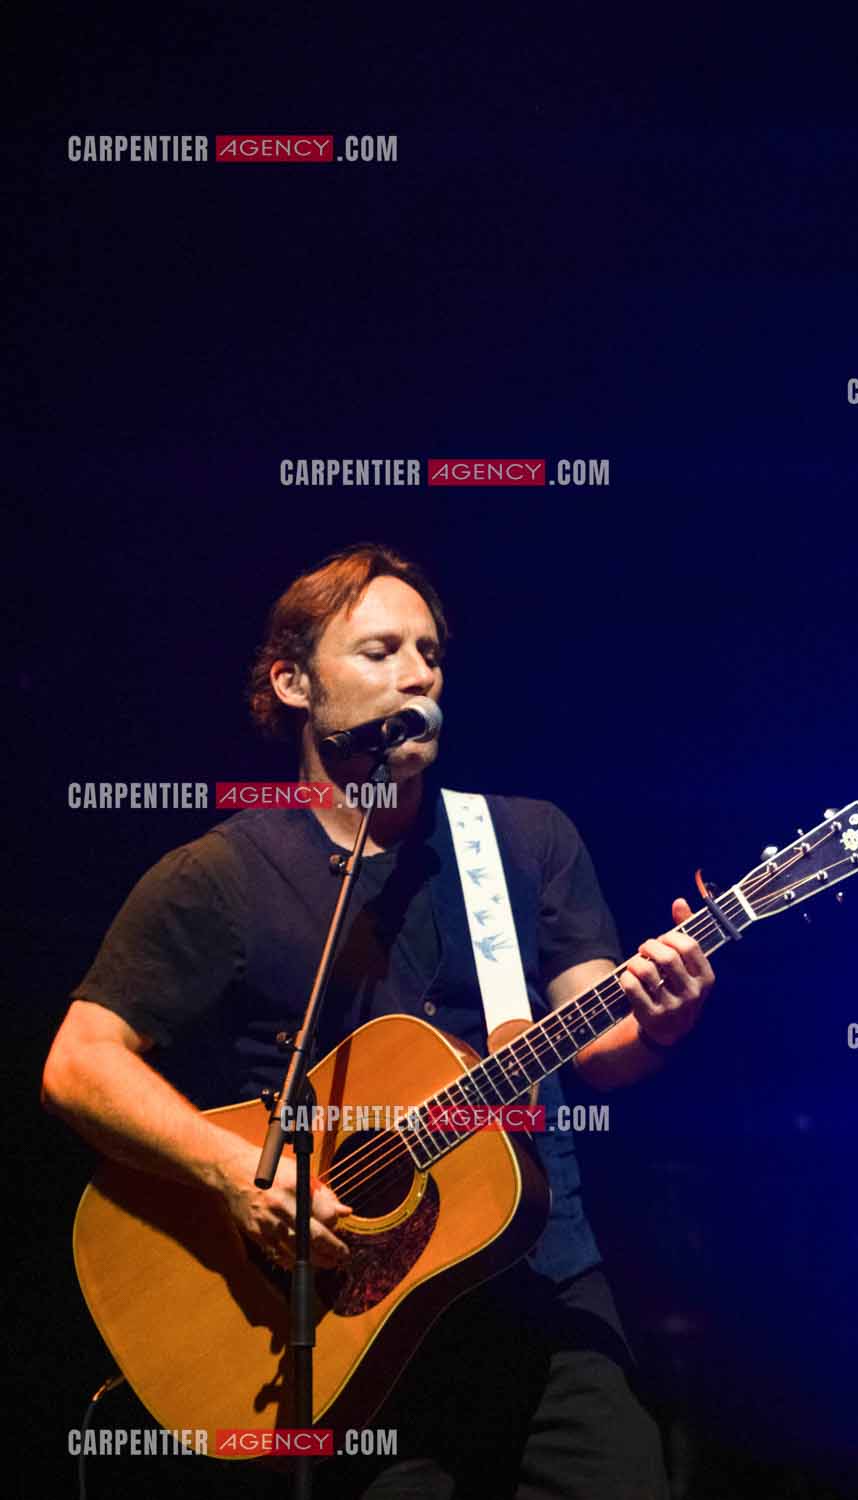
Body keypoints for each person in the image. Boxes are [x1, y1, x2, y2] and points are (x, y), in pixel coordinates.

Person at [41, 544, 712, 1497]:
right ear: (293, 682)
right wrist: (233, 1170)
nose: (417, 673)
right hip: (332, 1313)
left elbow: (596, 1042)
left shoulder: (520, 841)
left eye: (430, 653)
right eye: (381, 650)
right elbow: (77, 1064)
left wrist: (663, 1021)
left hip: (535, 1270)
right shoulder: (220, 875)